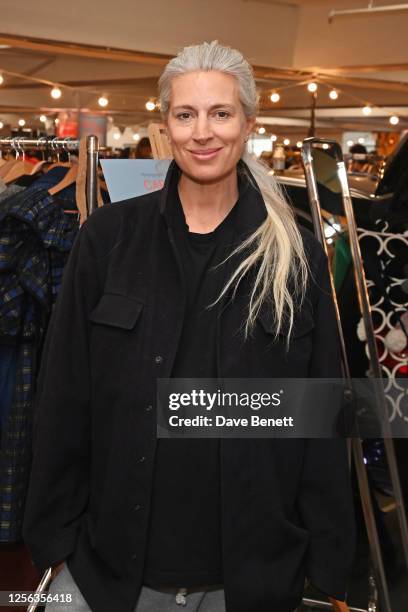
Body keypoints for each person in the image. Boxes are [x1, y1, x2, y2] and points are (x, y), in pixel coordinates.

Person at [23, 41, 355, 612]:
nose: (203, 132)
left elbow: (320, 414)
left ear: (248, 123)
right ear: (166, 125)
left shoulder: (294, 251)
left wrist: (327, 564)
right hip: (112, 570)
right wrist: (54, 541)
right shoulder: (108, 239)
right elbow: (64, 396)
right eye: (186, 114)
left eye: (220, 113)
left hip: (251, 576)